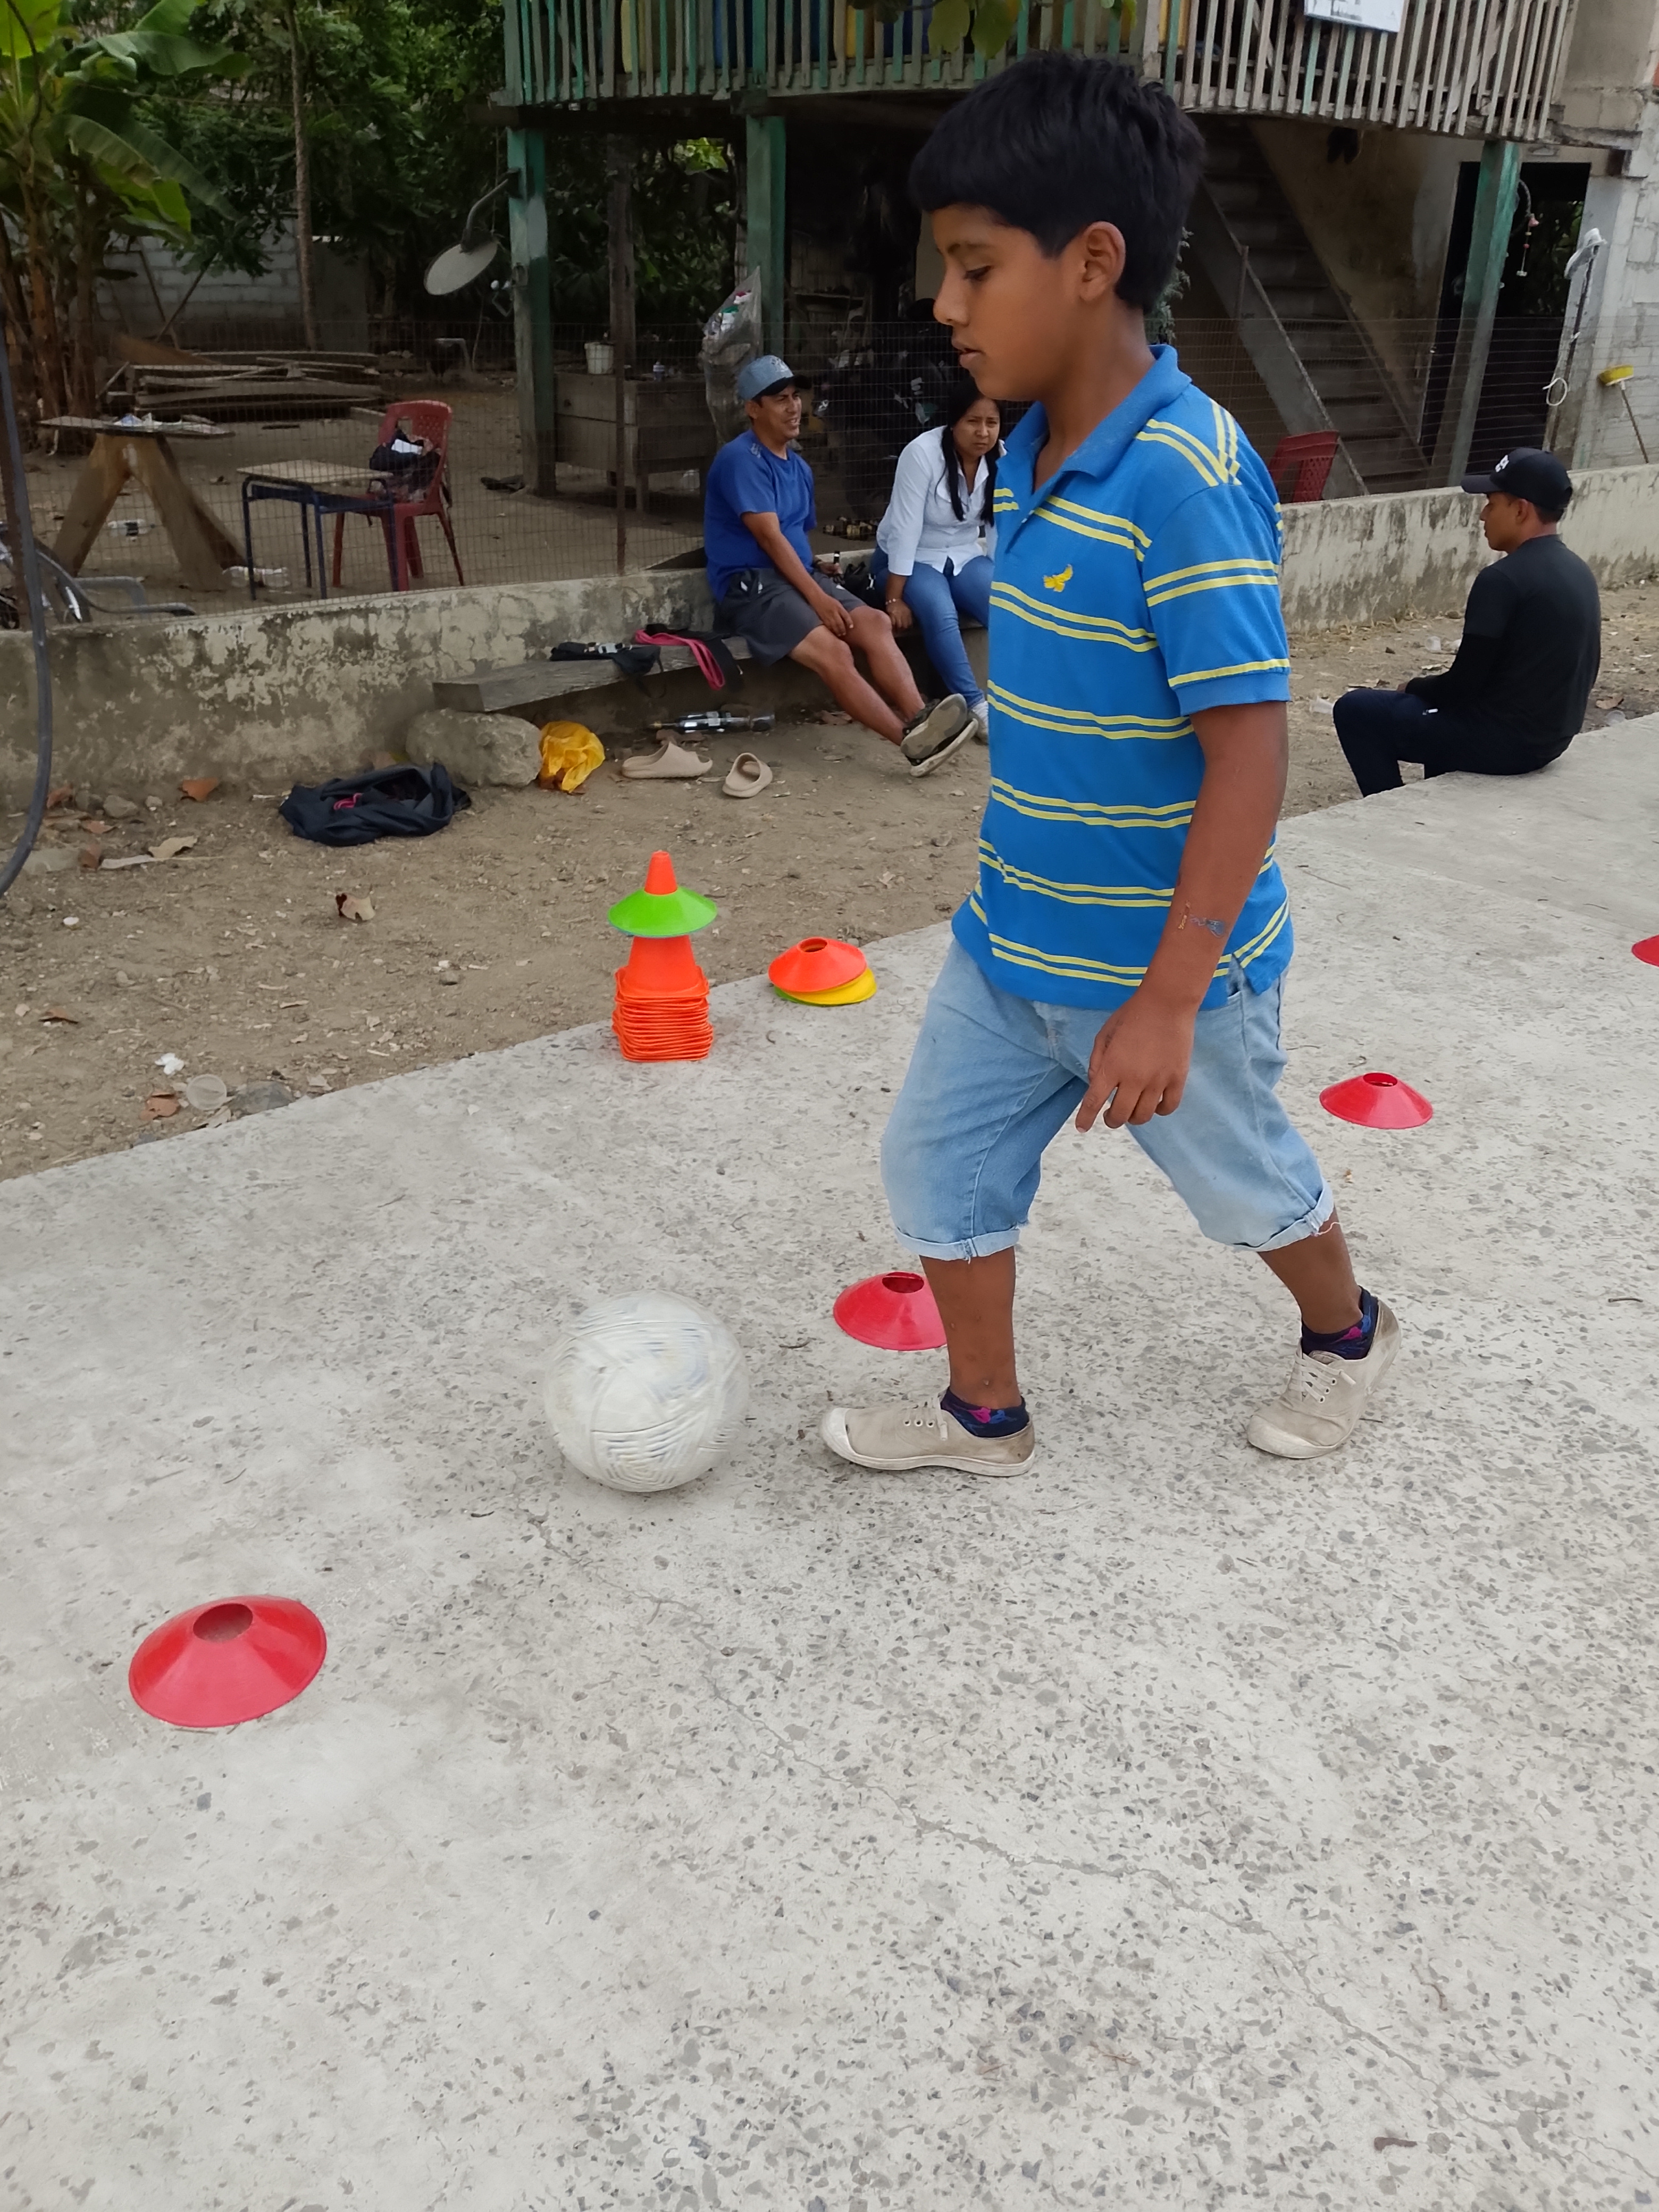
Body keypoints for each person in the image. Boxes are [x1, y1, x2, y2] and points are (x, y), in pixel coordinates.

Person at [818, 51, 1398, 1477]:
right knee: (938, 1167)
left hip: (1165, 972)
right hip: (1011, 941)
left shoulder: (1185, 477)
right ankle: (984, 1417)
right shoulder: (1024, 451)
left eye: (973, 267)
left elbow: (1249, 757)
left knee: (1245, 1188)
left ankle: (1348, 1334)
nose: (944, 304)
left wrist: (1168, 999)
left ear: (1090, 262)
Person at [703, 355, 975, 777]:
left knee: (875, 623)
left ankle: (922, 718)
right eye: (780, 400)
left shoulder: (799, 467)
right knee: (835, 652)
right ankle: (911, 743)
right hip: (752, 585)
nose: (794, 407)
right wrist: (818, 598)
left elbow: (793, 534)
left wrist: (814, 567)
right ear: (753, 408)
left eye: (796, 397)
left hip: (795, 576)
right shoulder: (741, 459)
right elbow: (769, 539)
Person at [1333, 447, 1601, 798]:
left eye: (1492, 503)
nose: (1483, 515)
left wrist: (1413, 687)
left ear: (1521, 510)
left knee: (1356, 709)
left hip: (1504, 746)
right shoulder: (1579, 571)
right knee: (1439, 715)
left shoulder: (1502, 580)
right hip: (1552, 741)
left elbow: (1462, 686)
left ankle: (1387, 807)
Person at [871, 383, 1002, 738]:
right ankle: (976, 706)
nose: (983, 432)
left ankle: (1021, 696)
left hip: (963, 555)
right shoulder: (922, 454)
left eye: (992, 423)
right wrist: (894, 598)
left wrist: (1000, 574)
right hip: (909, 559)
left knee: (1005, 604)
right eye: (973, 421)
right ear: (954, 422)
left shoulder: (1001, 458)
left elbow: (998, 526)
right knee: (940, 609)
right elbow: (905, 529)